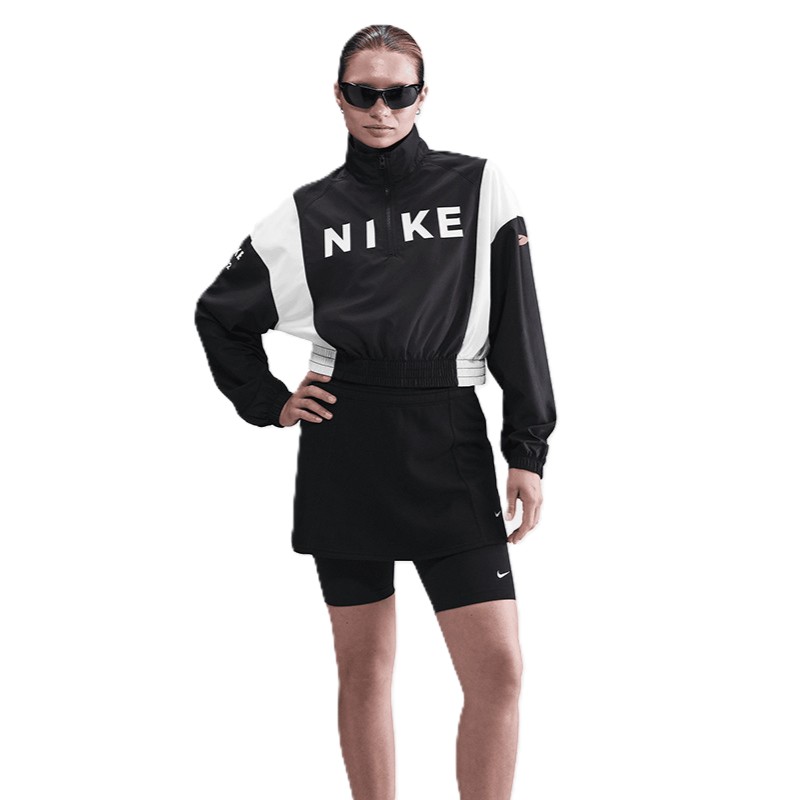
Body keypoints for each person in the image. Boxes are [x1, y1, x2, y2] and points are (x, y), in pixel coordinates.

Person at [194, 23, 556, 800]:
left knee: (499, 667)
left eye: (398, 94)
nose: (381, 110)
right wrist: (271, 402)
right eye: (364, 93)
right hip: (346, 444)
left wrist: (526, 448)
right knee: (364, 668)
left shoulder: (481, 187)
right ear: (338, 96)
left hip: (447, 437)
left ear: (423, 96)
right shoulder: (305, 213)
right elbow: (218, 314)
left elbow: (518, 323)